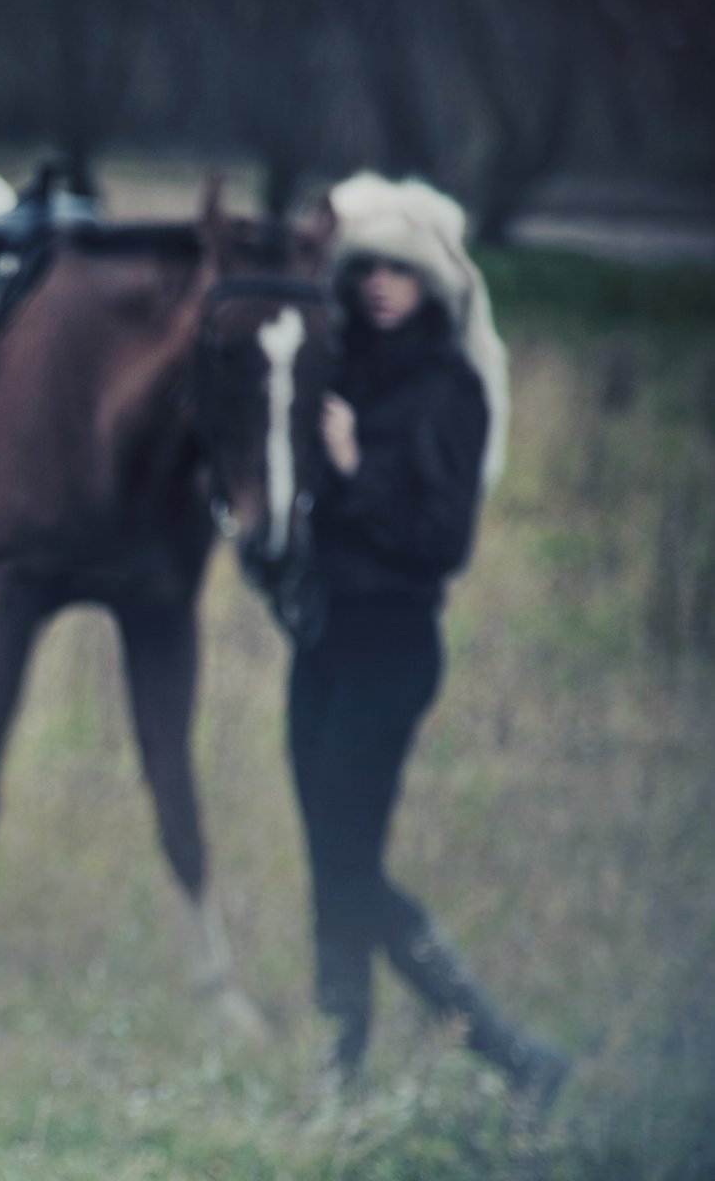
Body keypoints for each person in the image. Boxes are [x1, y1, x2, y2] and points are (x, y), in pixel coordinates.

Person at [292, 172, 565, 1102]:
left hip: (393, 644)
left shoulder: (450, 389)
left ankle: (506, 1050)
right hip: (322, 640)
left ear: (432, 285)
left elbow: (441, 540)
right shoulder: (334, 370)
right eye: (363, 267)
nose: (378, 285)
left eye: (397, 271)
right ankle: (345, 1062)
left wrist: (353, 466)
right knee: (329, 855)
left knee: (347, 857)